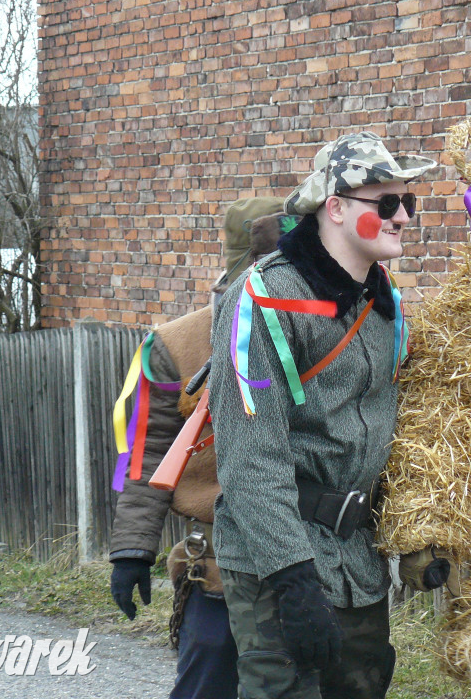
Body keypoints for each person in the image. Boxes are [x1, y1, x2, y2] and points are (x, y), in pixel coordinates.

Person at [208, 132, 436, 699]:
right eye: (386, 204)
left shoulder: (383, 306)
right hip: (276, 564)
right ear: (334, 207)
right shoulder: (262, 299)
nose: (403, 216)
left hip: (356, 565)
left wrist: (415, 535)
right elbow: (248, 456)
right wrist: (292, 578)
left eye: (408, 202)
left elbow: (391, 435)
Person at [108, 196, 288, 699]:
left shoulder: (330, 329)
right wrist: (131, 551)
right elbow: (141, 453)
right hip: (215, 567)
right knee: (209, 676)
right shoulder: (171, 346)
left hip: (312, 561)